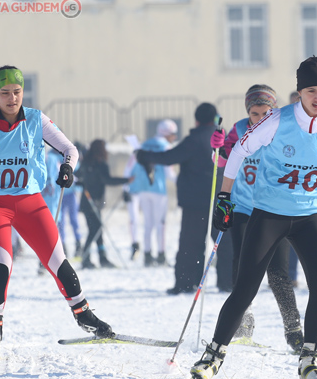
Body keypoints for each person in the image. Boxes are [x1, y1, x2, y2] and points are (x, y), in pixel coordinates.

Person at [191, 56, 317, 379]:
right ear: (299, 92)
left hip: (310, 215)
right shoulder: (277, 121)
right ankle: (213, 356)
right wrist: (224, 197)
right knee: (245, 286)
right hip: (270, 214)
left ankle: (310, 358)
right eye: (311, 91)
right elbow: (236, 152)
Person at [0, 65, 113, 356]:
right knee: (2, 265)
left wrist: (68, 169)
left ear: (23, 92)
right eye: (5, 93)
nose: (12, 98)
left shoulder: (36, 120)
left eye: (17, 92)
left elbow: (70, 149)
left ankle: (83, 314)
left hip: (29, 202)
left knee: (58, 261)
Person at [217, 84, 304, 350]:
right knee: (242, 262)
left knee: (277, 270)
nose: (259, 119)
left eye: (265, 113)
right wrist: (218, 150)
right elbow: (225, 162)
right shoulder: (240, 129)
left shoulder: (284, 128)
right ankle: (245, 320)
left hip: (274, 208)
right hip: (243, 207)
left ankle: (294, 329)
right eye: (254, 113)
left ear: (274, 110)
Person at [137, 102, 218, 294]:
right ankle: (228, 281)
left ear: (197, 120)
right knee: (224, 243)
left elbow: (170, 157)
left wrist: (144, 155)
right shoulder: (222, 137)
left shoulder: (196, 139)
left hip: (196, 201)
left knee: (191, 244)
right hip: (221, 199)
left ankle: (186, 282)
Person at [76, 139, 130, 269]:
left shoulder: (86, 162)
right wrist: (126, 180)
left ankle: (102, 257)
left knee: (97, 229)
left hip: (89, 202)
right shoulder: (100, 164)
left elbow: (77, 175)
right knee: (94, 230)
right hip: (92, 202)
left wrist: (82, 182)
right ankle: (86, 258)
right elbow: (107, 179)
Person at [130, 119, 177, 267]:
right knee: (161, 224)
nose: (174, 137)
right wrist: (181, 183)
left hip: (144, 188)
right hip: (159, 190)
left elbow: (132, 166)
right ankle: (161, 255)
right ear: (167, 133)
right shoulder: (165, 146)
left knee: (148, 224)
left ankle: (148, 255)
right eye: (173, 134)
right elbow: (169, 172)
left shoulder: (144, 144)